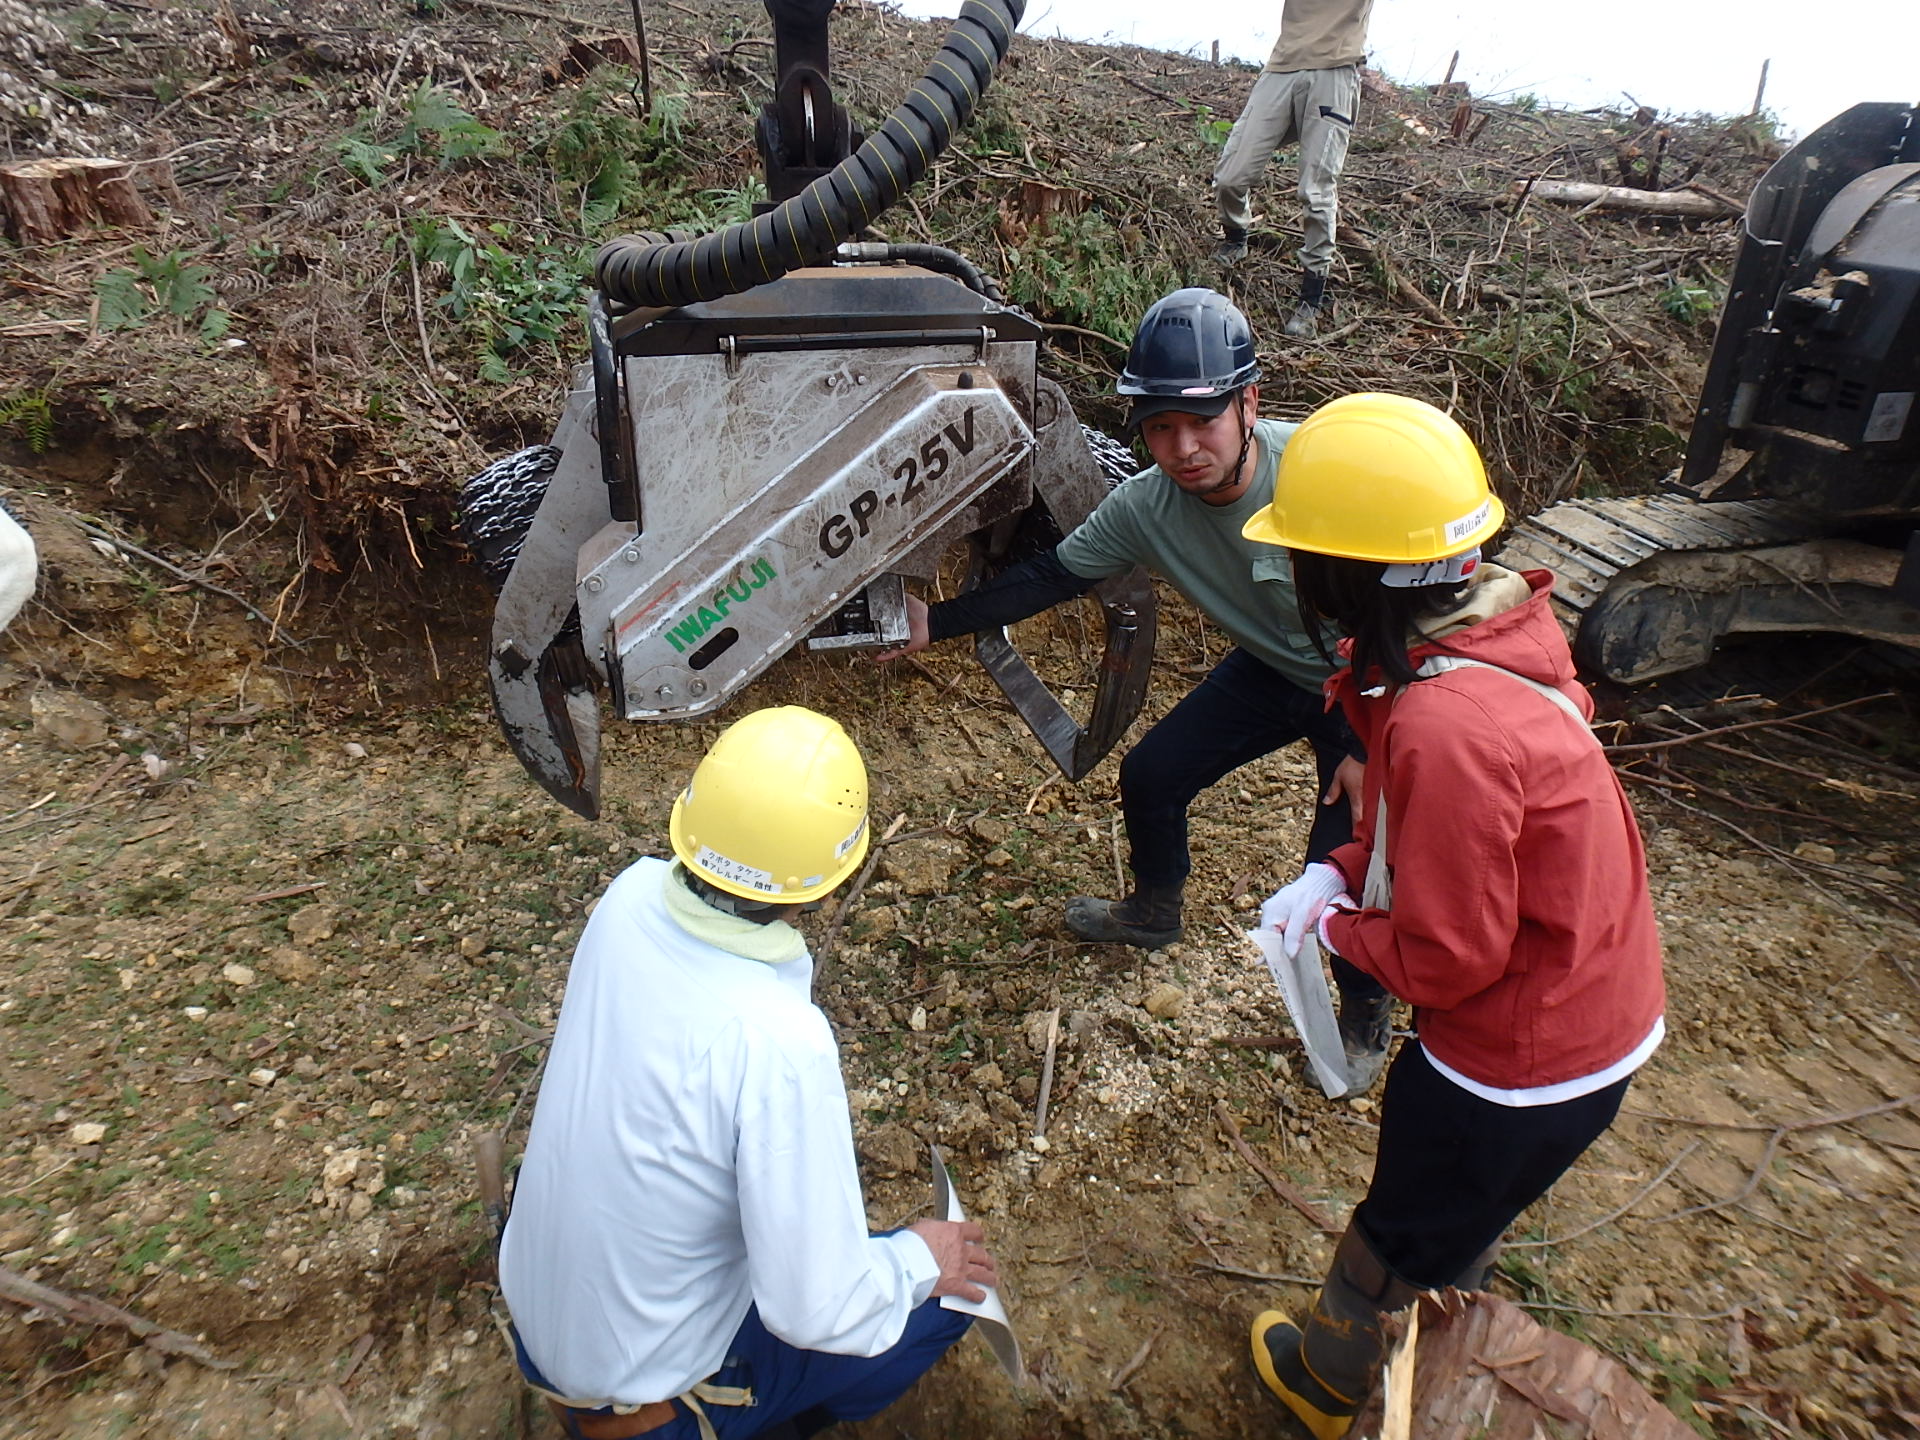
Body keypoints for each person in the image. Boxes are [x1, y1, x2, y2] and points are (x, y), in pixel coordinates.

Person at [1238, 394, 1667, 1438]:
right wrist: (1342, 869)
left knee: (1399, 1227)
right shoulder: (1494, 637)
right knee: (1459, 1217)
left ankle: (1334, 1382)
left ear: (1343, 574)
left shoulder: (1443, 721)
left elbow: (1445, 956)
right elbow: (1436, 842)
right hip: (1587, 1014)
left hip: (1516, 1062)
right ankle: (1435, 1328)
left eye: (1303, 556)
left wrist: (1331, 929)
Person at [878, 286, 1393, 1098]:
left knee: (1344, 863)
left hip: (1367, 686)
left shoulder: (1321, 478)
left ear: (1249, 403)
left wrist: (1373, 744)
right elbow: (1048, 576)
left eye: (1203, 421)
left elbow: (1410, 608)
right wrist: (930, 625)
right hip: (1272, 669)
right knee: (1152, 775)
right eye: (1160, 426)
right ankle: (1154, 912)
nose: (1183, 447)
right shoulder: (1146, 508)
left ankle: (1365, 1009)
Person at [499, 706, 998, 1440]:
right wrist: (923, 1257)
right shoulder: (778, 1041)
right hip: (640, 1393)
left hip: (545, 1321)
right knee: (944, 1303)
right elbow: (817, 1309)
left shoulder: (628, 898)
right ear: (830, 881)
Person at [1211, 0, 1376, 339]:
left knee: (1316, 191)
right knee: (1231, 175)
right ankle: (1236, 237)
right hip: (1281, 69)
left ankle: (1312, 294)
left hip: (1335, 70)